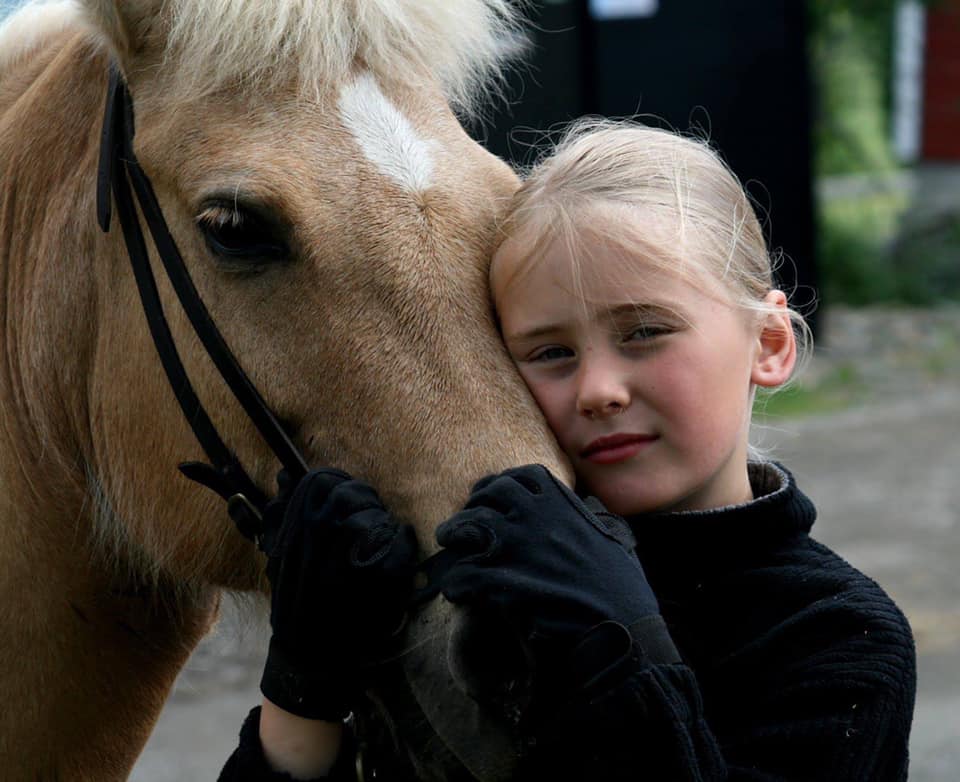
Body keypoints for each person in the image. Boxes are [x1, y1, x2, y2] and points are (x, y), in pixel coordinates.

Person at [219, 120, 916, 780]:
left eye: (644, 332)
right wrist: (304, 683)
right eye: (550, 352)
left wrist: (614, 638)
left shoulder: (841, 637)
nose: (598, 389)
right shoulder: (469, 589)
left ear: (768, 344)